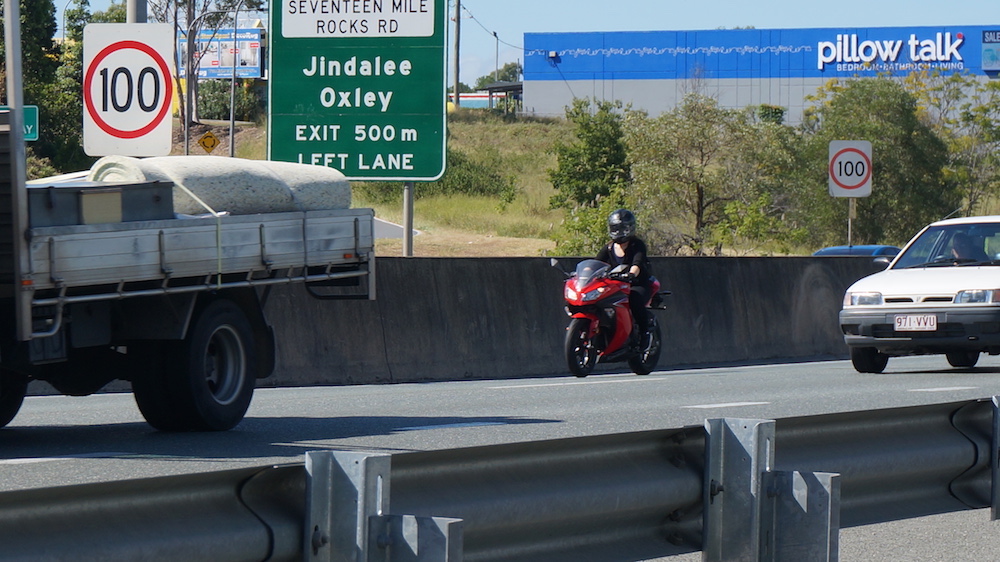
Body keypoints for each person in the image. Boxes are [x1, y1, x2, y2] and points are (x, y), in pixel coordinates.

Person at [596, 209, 654, 344]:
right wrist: (581, 273)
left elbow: (637, 262)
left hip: (637, 284)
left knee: (634, 299)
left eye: (623, 228)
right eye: (615, 228)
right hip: (616, 285)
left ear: (630, 228)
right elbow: (596, 263)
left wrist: (632, 274)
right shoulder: (609, 248)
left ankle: (645, 333)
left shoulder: (637, 245)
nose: (619, 232)